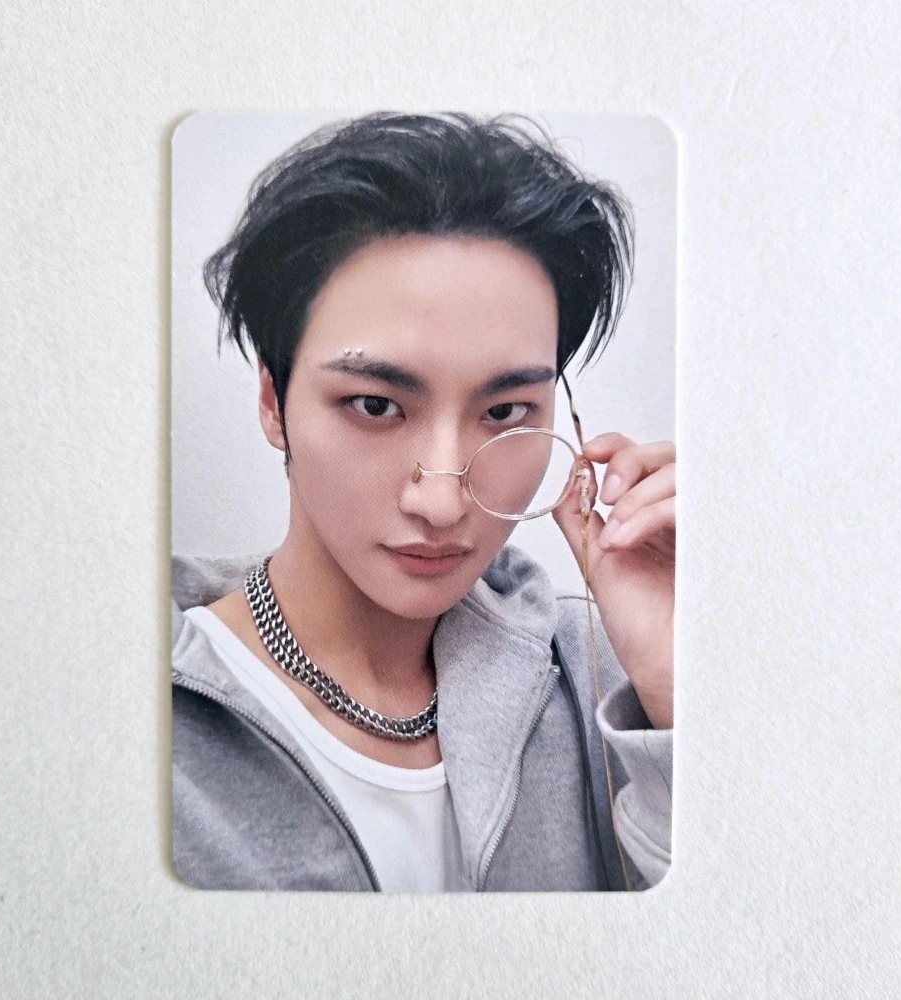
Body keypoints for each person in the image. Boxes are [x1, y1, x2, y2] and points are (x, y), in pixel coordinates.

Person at [172, 113, 675, 891]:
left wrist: (673, 688)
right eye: (375, 406)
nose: (442, 501)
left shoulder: (608, 679)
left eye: (505, 412)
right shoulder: (135, 721)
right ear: (274, 402)